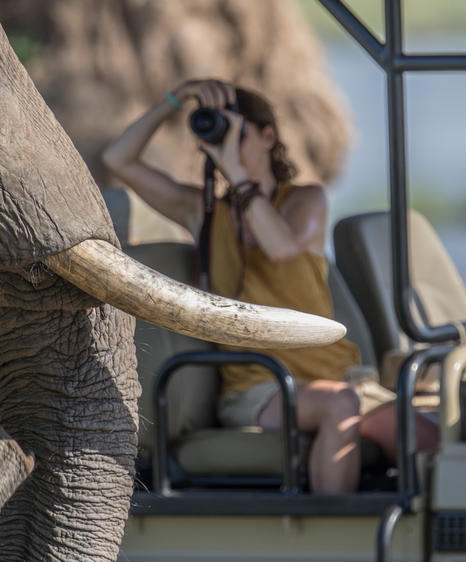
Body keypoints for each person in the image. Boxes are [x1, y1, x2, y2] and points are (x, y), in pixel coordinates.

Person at [103, 79, 437, 493]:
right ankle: (325, 527)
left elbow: (281, 247)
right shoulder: (203, 212)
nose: (229, 144)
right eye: (220, 132)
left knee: (430, 437)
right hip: (260, 386)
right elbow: (117, 158)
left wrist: (237, 173)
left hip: (343, 379)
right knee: (339, 406)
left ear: (268, 137)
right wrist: (177, 98)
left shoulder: (305, 201)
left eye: (238, 133)